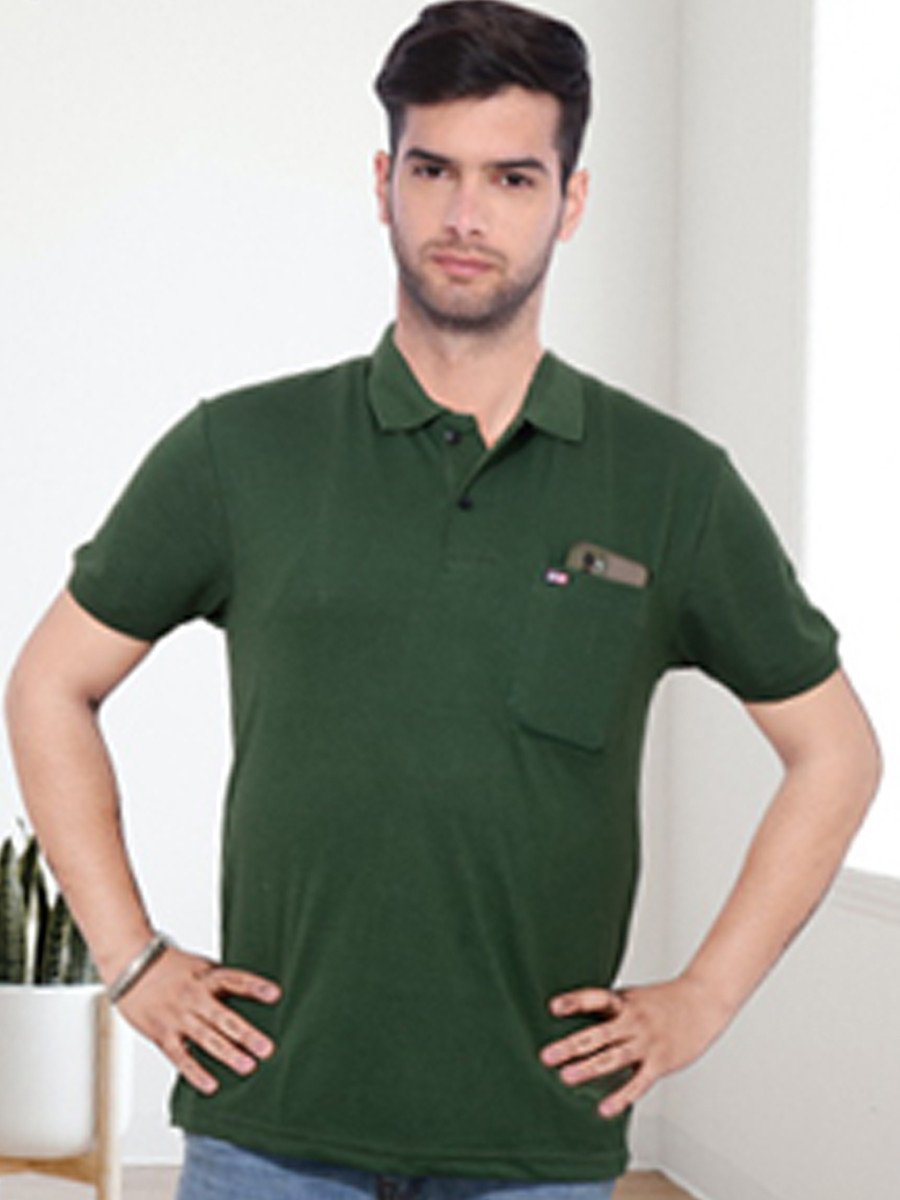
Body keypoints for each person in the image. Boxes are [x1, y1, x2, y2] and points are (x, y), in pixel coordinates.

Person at [3, 2, 881, 1199]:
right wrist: (132, 959)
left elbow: (836, 751)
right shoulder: (239, 452)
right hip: (270, 1125)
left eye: (513, 178)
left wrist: (705, 997)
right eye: (434, 170)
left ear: (570, 201)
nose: (467, 216)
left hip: (535, 1141)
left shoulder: (672, 485)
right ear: (385, 184)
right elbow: (50, 683)